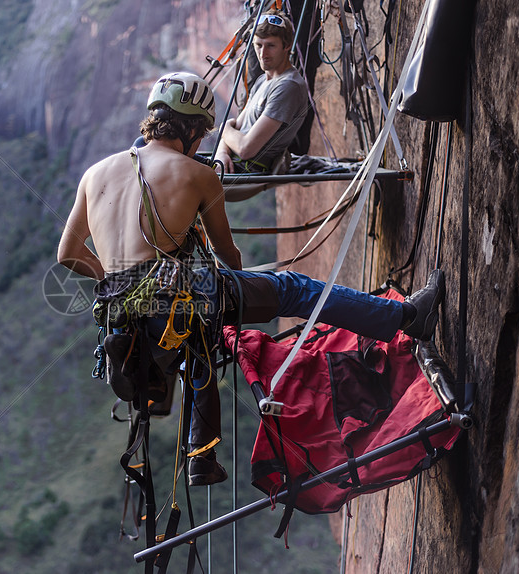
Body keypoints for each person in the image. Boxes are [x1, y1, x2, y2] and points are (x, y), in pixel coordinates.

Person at [57, 71, 444, 486]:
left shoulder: (94, 174)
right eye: (202, 133)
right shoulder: (196, 175)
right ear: (190, 127)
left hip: (125, 321)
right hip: (180, 302)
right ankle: (403, 319)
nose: (202, 142)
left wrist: (120, 279)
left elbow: (69, 255)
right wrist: (239, 293)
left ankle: (201, 456)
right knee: (291, 288)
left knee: (197, 340)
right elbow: (227, 255)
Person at [215, 10, 309, 173]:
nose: (263, 54)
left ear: (286, 46)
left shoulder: (288, 86)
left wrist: (224, 128)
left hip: (246, 170)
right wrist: (222, 153)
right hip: (229, 164)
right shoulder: (262, 81)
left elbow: (246, 149)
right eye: (258, 45)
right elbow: (237, 127)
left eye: (271, 46)